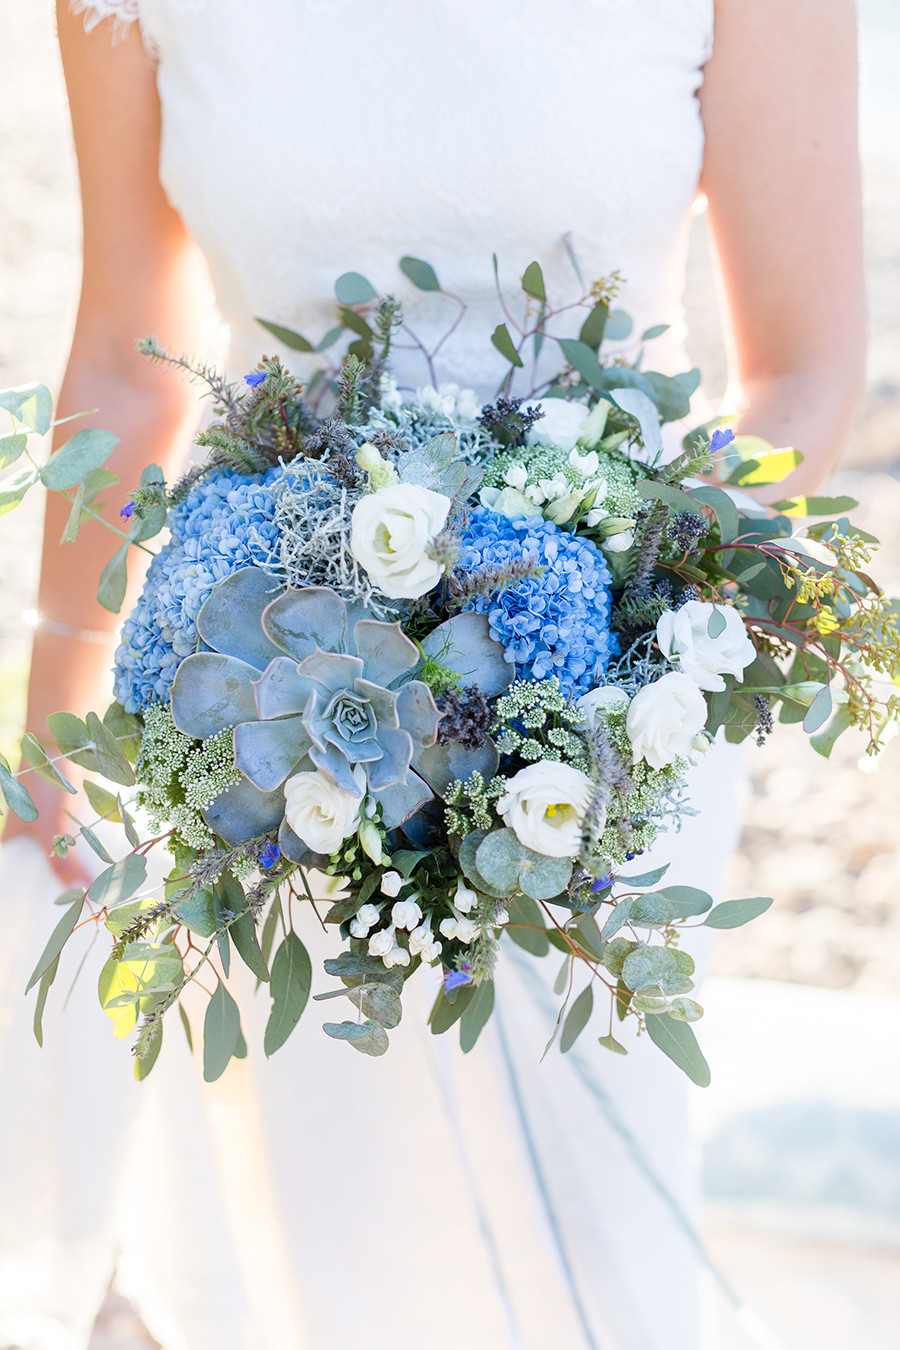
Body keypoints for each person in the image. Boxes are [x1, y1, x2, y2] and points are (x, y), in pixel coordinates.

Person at [0, 1, 864, 1347]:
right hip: (269, 697)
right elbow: (124, 352)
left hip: (603, 700)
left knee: (595, 1226)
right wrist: (50, 726)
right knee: (320, 1226)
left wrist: (609, 657)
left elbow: (804, 373)